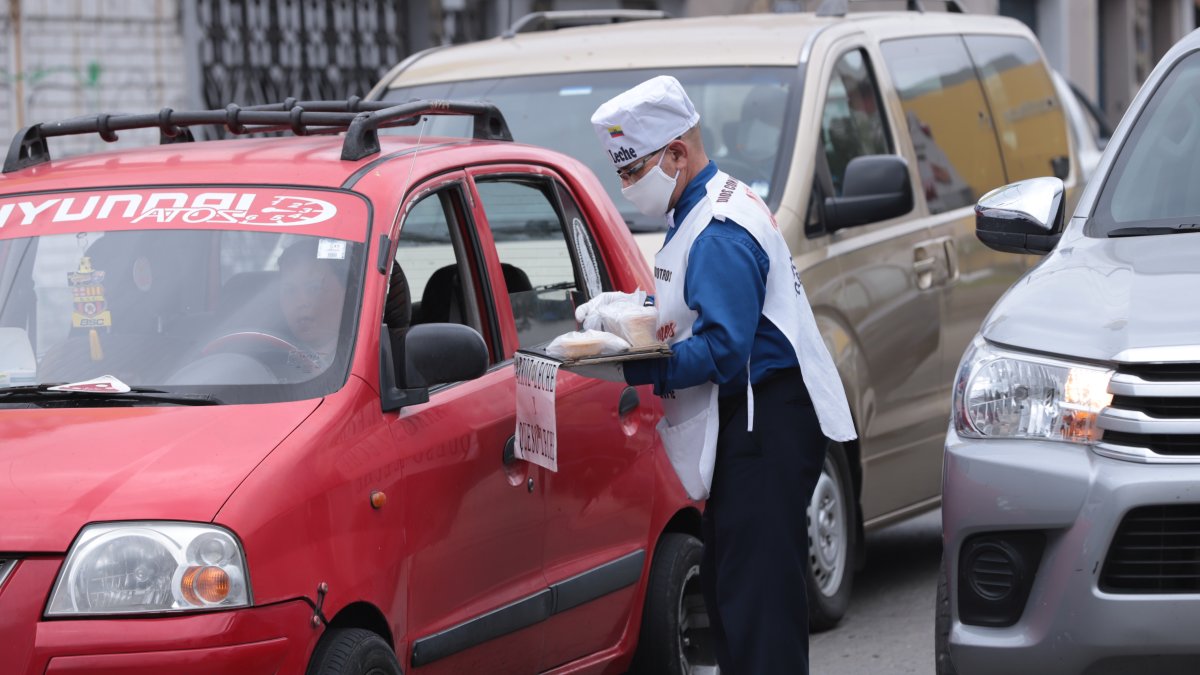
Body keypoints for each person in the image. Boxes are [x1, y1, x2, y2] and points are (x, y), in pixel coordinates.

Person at [590, 76, 857, 674]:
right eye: (623, 175)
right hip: (757, 421)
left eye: (634, 171)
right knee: (736, 596)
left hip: (766, 425)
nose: (628, 187)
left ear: (678, 153)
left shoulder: (719, 229)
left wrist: (635, 364)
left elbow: (725, 350)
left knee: (757, 613)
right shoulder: (706, 204)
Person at [277, 238, 350, 373]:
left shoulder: (366, 361)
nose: (301, 302)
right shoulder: (264, 357)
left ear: (347, 293)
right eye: (289, 290)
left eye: (314, 289)